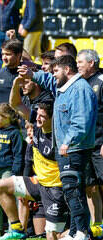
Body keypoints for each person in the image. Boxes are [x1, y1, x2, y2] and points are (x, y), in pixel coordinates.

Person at [20, 55, 97, 239]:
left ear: (67, 70)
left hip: (74, 149)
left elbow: (81, 122)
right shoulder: (64, 87)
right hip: (66, 149)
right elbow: (47, 80)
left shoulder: (79, 89)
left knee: (73, 189)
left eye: (56, 71)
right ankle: (75, 230)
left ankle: (82, 232)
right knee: (71, 191)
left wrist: (67, 141)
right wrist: (32, 74)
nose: (53, 75)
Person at [0, 102, 66, 240]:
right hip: (38, 183)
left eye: (42, 116)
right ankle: (16, 229)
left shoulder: (59, 137)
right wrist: (18, 83)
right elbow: (17, 104)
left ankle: (84, 233)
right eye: (37, 115)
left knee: (51, 236)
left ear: (52, 119)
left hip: (55, 189)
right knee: (0, 186)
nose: (37, 119)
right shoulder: (35, 131)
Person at [0, 103, 25, 236]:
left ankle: (12, 228)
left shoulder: (15, 133)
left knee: (8, 201)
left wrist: (15, 174)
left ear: (6, 117)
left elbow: (18, 155)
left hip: (8, 170)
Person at [77, 49, 103, 229]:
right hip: (86, 145)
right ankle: (97, 225)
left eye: (80, 62)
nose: (77, 65)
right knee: (90, 186)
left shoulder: (101, 81)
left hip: (101, 143)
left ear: (91, 63)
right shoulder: (79, 83)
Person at [0, 39, 24, 105]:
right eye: (3, 54)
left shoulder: (27, 76)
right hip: (0, 115)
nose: (4, 58)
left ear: (18, 55)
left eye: (8, 54)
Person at [0, 0, 22, 66]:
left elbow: (20, 6)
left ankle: (8, 68)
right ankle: (0, 69)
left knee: (9, 52)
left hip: (10, 30)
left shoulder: (14, 1)